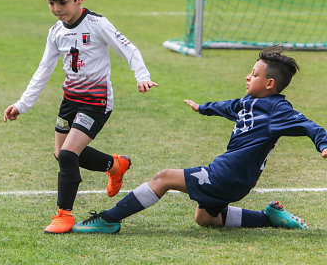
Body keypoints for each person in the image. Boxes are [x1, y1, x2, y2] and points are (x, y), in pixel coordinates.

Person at [72, 46, 327, 234]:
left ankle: (108, 219)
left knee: (164, 178)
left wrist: (323, 143)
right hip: (236, 179)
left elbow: (307, 125)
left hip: (228, 174)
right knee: (205, 219)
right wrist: (202, 107)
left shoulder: (278, 109)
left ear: (270, 83)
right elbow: (229, 106)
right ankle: (269, 218)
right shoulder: (249, 102)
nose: (248, 77)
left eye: (254, 74)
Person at [4, 0, 158, 234]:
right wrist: (21, 104)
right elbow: (43, 70)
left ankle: (64, 215)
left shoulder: (98, 24)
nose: (56, 9)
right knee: (61, 154)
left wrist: (141, 76)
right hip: (70, 100)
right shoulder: (55, 32)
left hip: (96, 102)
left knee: (66, 154)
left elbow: (129, 49)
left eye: (62, 2)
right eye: (50, 3)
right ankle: (115, 164)